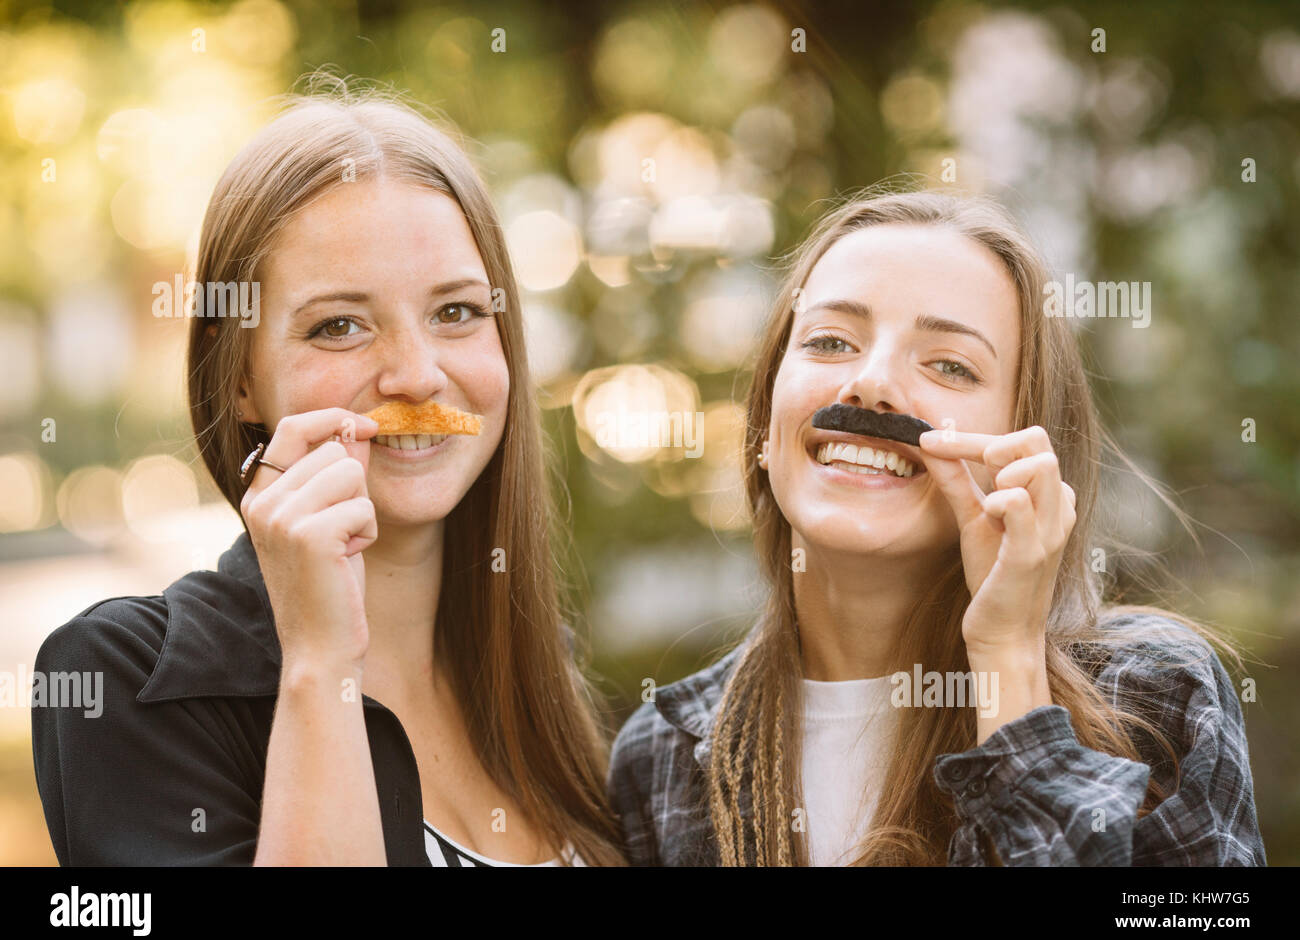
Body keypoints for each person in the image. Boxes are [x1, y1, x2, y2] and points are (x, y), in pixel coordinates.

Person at [32, 76, 624, 867]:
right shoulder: (127, 678)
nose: (415, 375)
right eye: (339, 326)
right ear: (239, 377)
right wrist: (319, 662)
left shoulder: (538, 667)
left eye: (456, 312)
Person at [606, 188, 1267, 866]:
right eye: (830, 341)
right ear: (762, 430)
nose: (870, 385)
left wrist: (1008, 655)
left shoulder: (1153, 695)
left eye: (950, 364)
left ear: (1022, 449)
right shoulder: (662, 759)